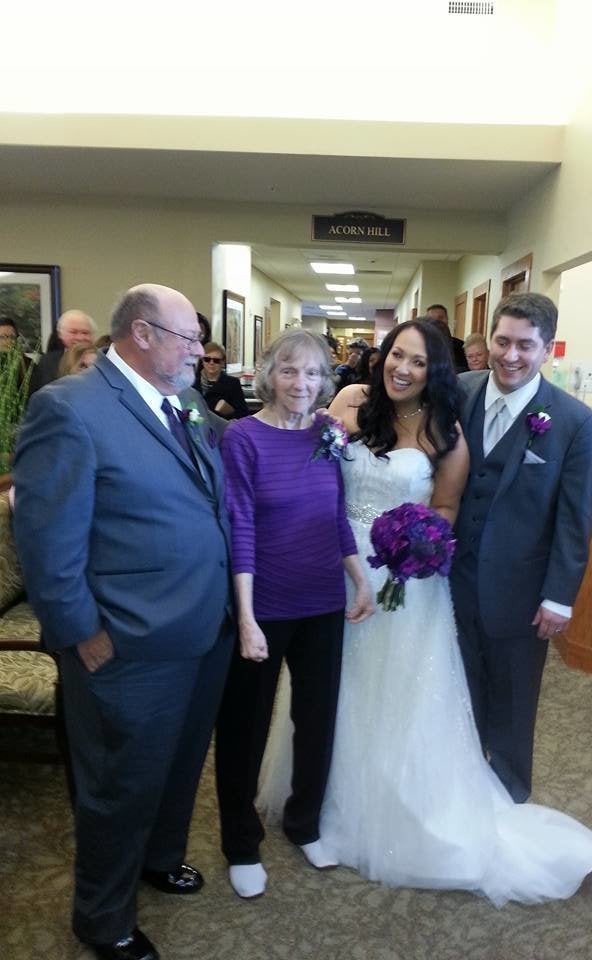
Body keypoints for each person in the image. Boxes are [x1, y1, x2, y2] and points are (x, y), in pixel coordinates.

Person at [259, 319, 592, 905]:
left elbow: (447, 508)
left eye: (419, 362)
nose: (403, 368)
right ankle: (314, 799)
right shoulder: (349, 403)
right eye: (397, 355)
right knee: (330, 693)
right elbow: (305, 463)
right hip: (333, 572)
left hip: (404, 585)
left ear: (435, 372)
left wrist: (415, 548)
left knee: (397, 699)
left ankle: (391, 811)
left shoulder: (447, 430)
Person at [13, 284, 234, 960]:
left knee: (175, 767)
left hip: (202, 629)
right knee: (119, 785)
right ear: (142, 334)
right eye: (188, 337)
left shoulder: (186, 404)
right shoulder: (69, 408)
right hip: (126, 643)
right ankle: (102, 917)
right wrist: (81, 631)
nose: (200, 350)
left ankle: (159, 857)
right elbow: (47, 540)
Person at [215, 329, 374, 901]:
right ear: (268, 375)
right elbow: (241, 526)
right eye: (289, 371)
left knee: (317, 719)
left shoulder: (328, 432)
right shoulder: (243, 437)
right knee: (245, 726)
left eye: (311, 374)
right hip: (267, 605)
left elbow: (335, 515)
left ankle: (304, 822)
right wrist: (248, 616)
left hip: (323, 601)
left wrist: (359, 580)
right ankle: (239, 841)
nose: (301, 384)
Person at [451, 292, 592, 804]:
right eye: (502, 341)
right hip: (450, 579)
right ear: (489, 338)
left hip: (521, 591)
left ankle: (509, 796)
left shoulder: (575, 422)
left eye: (525, 346)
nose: (510, 356)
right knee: (455, 692)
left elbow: (574, 519)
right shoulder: (460, 391)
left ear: (546, 350)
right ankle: (459, 789)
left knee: (513, 703)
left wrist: (560, 596)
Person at [28, 308, 96, 394]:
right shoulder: (46, 362)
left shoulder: (103, 360)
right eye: (73, 332)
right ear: (60, 334)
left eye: (85, 333)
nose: (80, 338)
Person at [192, 341, 250, 420]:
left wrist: (229, 412)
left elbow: (243, 414)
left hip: (222, 429)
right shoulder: (192, 382)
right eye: (207, 359)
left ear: (222, 363)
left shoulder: (232, 384)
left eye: (216, 360)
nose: (211, 363)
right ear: (202, 361)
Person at [425, 303, 469, 373]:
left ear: (447, 320)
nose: (436, 322)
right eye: (431, 319)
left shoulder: (461, 346)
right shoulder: (420, 347)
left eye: (440, 318)